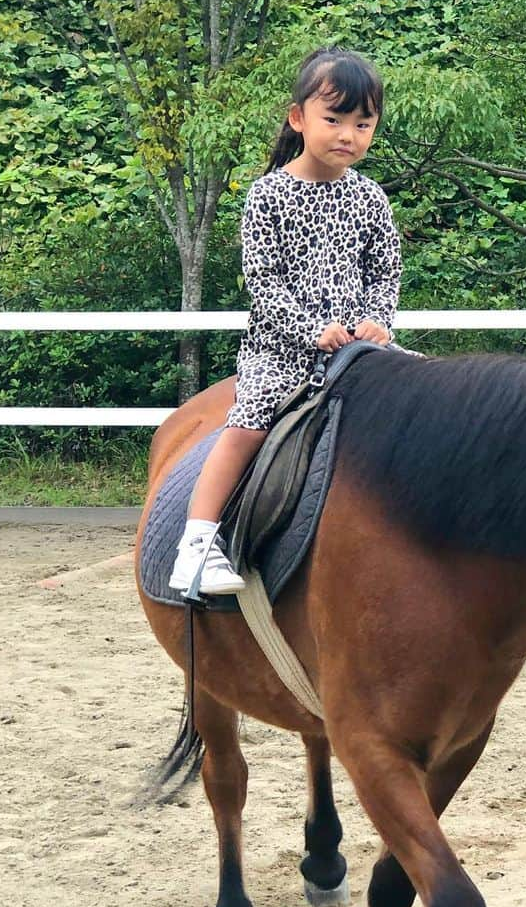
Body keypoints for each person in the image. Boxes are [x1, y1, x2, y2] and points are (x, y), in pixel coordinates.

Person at [169, 48, 401, 595]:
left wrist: (376, 321)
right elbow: (264, 284)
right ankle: (198, 544)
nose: (348, 134)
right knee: (247, 422)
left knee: (429, 397)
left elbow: (384, 272)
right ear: (298, 118)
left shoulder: (369, 197)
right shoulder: (269, 193)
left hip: (356, 350)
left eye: (362, 123)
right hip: (282, 350)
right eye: (334, 119)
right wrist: (309, 329)